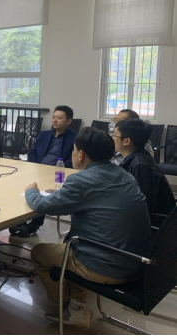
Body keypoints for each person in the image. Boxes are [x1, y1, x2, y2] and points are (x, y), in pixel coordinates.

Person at [25, 127, 151, 331]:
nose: (73, 153)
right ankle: (78, 303)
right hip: (137, 261)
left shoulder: (81, 180)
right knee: (70, 243)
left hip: (107, 266)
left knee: (40, 253)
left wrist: (31, 191)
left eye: (74, 149)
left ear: (81, 154)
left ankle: (71, 306)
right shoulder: (125, 175)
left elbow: (42, 206)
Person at [11, 106, 78, 237]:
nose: (55, 120)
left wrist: (57, 168)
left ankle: (35, 223)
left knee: (43, 191)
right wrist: (35, 166)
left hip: (58, 174)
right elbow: (33, 152)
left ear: (69, 121)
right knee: (20, 185)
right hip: (38, 170)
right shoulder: (44, 134)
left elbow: (72, 159)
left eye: (59, 118)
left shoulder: (75, 138)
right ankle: (20, 219)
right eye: (53, 117)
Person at [114, 119, 175, 216]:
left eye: (114, 135)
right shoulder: (138, 157)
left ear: (126, 141)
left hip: (156, 220)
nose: (112, 138)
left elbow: (144, 203)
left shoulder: (140, 164)